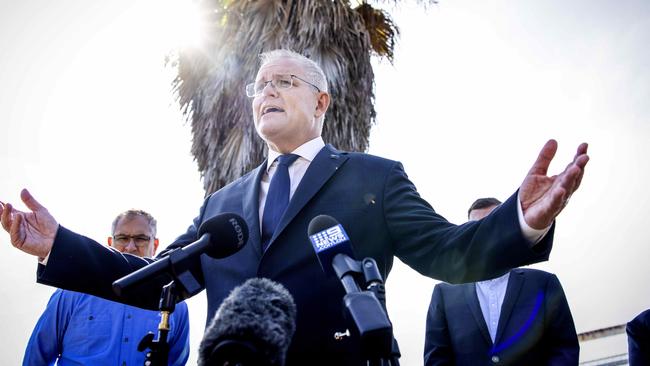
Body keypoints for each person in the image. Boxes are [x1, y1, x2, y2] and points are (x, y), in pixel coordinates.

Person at [0, 49, 589, 365]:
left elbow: (447, 253)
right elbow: (156, 282)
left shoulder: (374, 177)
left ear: (322, 100)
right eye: (260, 85)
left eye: (285, 80)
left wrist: (523, 220)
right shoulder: (222, 203)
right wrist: (59, 245)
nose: (269, 91)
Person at [22, 210, 190, 366]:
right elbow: (37, 356)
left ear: (155, 244)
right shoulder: (72, 292)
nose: (130, 246)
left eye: (140, 238)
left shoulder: (175, 302)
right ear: (110, 242)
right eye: (123, 238)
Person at [423, 198, 579, 365]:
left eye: (492, 226)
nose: (484, 235)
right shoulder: (444, 295)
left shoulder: (544, 284)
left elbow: (564, 349)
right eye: (476, 228)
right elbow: (437, 360)